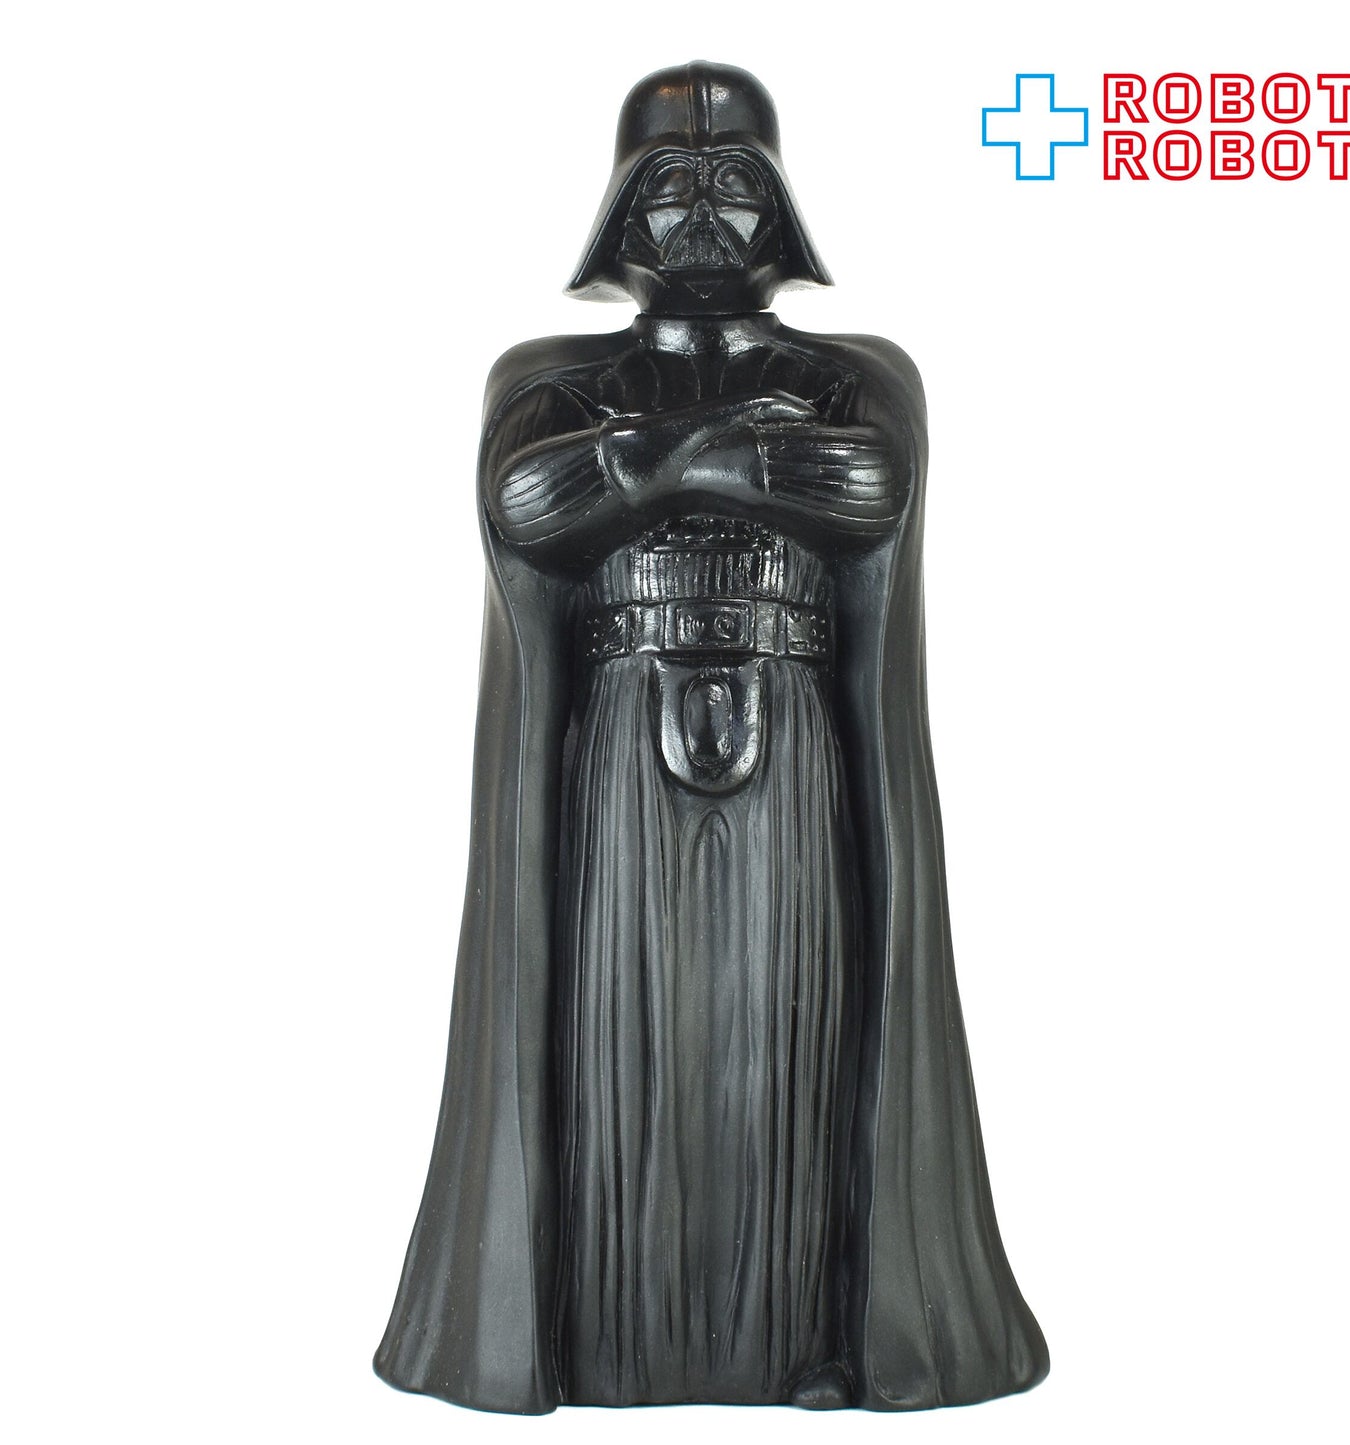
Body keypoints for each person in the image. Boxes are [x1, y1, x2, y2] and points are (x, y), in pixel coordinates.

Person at [376, 61, 1048, 1413]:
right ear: (618, 216)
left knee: (790, 1032)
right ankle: (607, 1335)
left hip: (794, 744)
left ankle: (810, 1332)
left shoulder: (855, 375)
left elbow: (861, 485)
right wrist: (725, 453)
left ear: (780, 211)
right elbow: (529, 502)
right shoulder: (546, 377)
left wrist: (643, 462)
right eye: (669, 187)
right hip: (617, 750)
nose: (699, 216)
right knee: (622, 1044)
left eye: (731, 186)